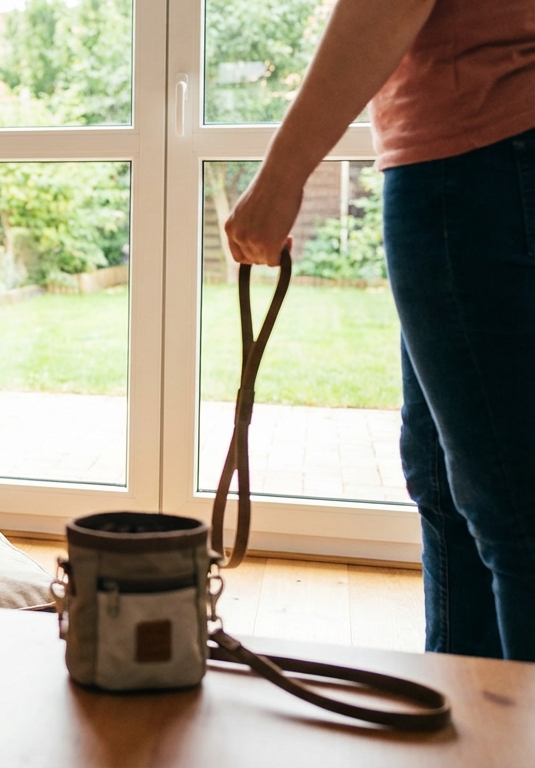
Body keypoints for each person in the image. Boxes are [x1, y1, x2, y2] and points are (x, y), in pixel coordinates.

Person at [225, 0, 535, 661]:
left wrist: (283, 174)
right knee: (446, 481)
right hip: (478, 152)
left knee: (512, 504)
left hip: (480, 151)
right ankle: (473, 736)